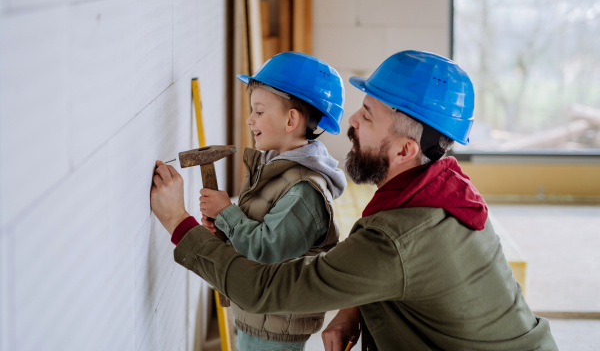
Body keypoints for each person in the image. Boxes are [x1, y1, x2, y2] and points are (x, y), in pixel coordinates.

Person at [151, 50, 558, 350]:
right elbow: (406, 274)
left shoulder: (396, 238)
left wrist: (178, 222)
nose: (350, 121)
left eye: (368, 115)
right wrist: (354, 308)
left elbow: (266, 288)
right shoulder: (444, 191)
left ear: (404, 151)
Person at [168, 52, 346, 351]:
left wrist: (226, 211)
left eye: (259, 111)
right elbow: (256, 229)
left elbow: (266, 248)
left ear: (291, 119)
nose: (250, 120)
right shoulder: (273, 168)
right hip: (259, 314)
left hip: (277, 325)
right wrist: (225, 231)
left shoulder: (305, 191)